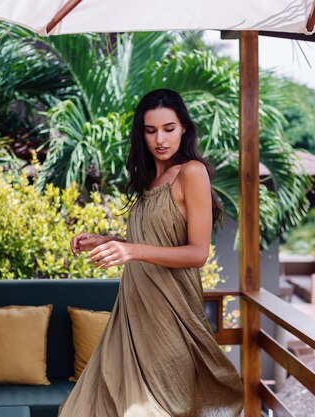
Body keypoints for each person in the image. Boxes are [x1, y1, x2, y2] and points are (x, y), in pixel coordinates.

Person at [58, 89, 244, 417]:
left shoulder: (191, 173)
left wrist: (131, 250)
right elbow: (154, 240)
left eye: (168, 129)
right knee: (91, 407)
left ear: (184, 128)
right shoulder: (149, 179)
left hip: (170, 317)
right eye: (150, 130)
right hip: (131, 311)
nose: (160, 139)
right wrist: (107, 240)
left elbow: (197, 252)